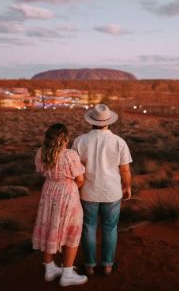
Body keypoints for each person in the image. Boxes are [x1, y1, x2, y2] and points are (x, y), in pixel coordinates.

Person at [72, 104, 132, 276]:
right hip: (112, 192)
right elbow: (125, 170)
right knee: (110, 228)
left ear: (91, 121)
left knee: (89, 227)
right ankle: (107, 265)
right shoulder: (119, 142)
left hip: (87, 192)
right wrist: (127, 187)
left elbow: (76, 169)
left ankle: (89, 266)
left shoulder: (80, 141)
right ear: (109, 122)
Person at [32, 123, 88, 287]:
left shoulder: (41, 153)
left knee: (48, 225)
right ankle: (68, 273)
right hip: (67, 193)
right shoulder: (70, 155)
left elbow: (41, 171)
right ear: (65, 138)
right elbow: (80, 179)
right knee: (73, 229)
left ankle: (49, 269)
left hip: (48, 191)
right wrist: (71, 188)